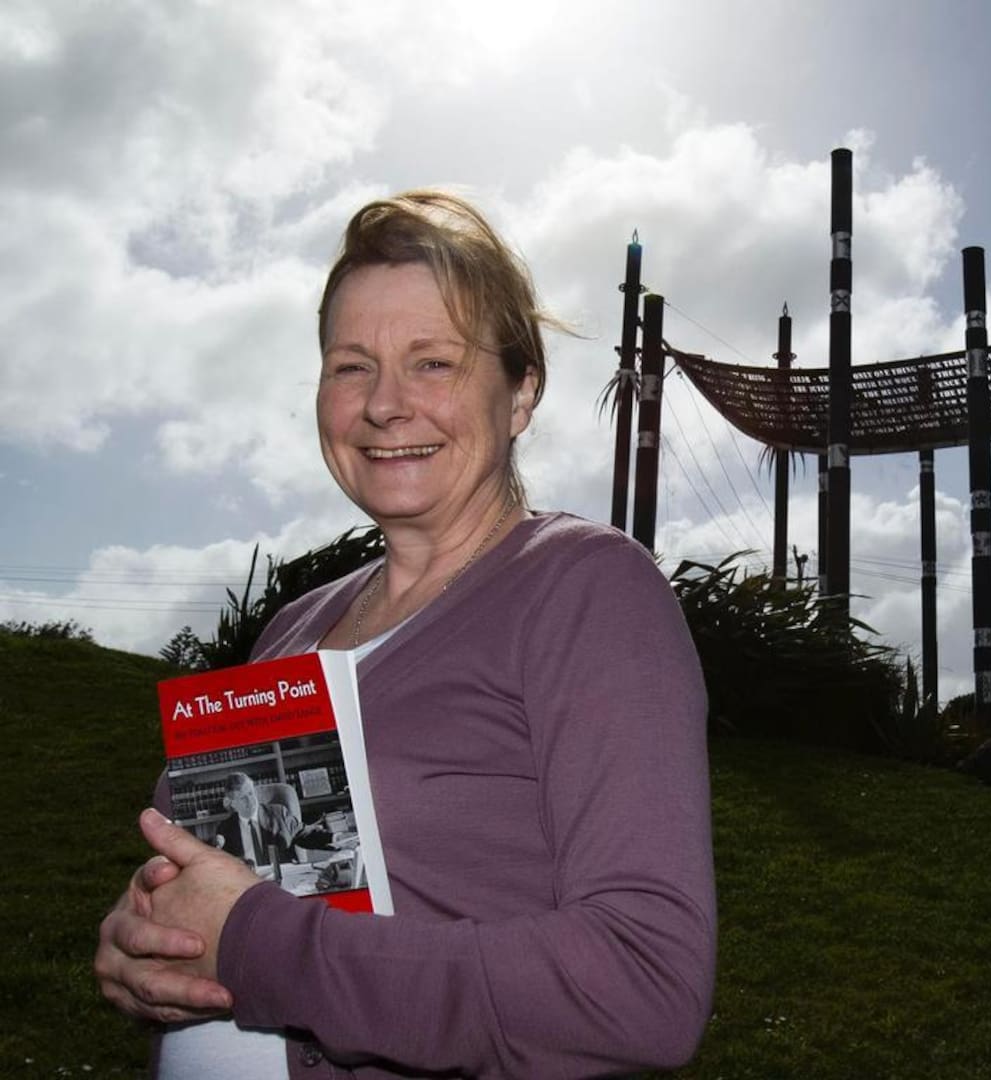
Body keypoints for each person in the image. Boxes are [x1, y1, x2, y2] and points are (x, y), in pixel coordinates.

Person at [94, 191, 716, 1079]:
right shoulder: (290, 628)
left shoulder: (585, 586)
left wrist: (259, 945)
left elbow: (644, 987)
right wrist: (145, 944)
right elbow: (230, 900)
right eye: (352, 367)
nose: (386, 405)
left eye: (433, 363)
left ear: (521, 392)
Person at [211, 773, 302, 868]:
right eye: (243, 798)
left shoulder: (279, 814)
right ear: (233, 804)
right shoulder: (225, 829)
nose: (250, 801)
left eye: (250, 793)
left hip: (281, 877)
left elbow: (304, 833)